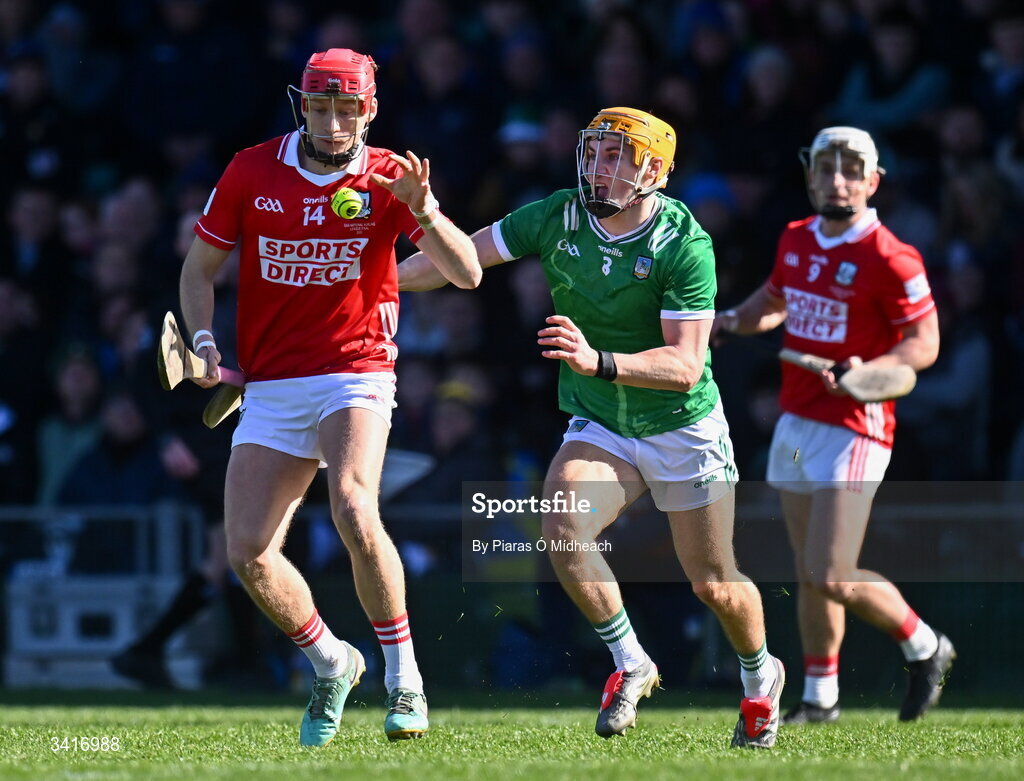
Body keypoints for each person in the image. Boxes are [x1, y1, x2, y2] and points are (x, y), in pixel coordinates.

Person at [400, 107, 784, 749]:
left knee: (713, 582)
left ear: (654, 173)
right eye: (595, 153)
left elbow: (686, 367)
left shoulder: (684, 243)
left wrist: (596, 361)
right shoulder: (556, 214)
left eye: (617, 158)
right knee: (562, 523)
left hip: (680, 425)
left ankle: (759, 676)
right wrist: (368, 279)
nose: (598, 168)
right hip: (603, 421)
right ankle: (632, 664)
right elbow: (458, 259)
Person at [178, 48, 480, 745]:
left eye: (349, 108)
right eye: (322, 106)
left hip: (356, 369)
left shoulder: (387, 179)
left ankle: (404, 677)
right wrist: (202, 340)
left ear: (370, 111)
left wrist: (425, 210)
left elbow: (465, 273)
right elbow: (199, 270)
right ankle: (332, 660)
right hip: (272, 382)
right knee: (248, 551)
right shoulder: (252, 168)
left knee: (352, 502)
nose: (335, 121)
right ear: (301, 105)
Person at [711, 127, 955, 725]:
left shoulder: (893, 257)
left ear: (873, 181)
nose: (837, 180)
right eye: (826, 168)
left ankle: (926, 646)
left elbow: (924, 345)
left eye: (851, 170)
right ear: (810, 173)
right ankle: (821, 699)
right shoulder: (795, 239)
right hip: (797, 421)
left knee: (830, 572)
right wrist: (729, 320)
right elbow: (772, 302)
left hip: (855, 426)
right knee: (806, 571)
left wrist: (870, 371)